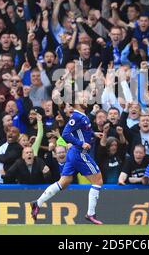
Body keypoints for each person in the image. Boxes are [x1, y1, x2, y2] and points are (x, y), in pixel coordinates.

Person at [31, 91, 104, 225]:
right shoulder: (76, 116)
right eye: (83, 96)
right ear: (76, 102)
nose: (86, 98)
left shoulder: (83, 116)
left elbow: (81, 131)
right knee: (98, 181)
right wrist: (81, 143)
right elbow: (65, 134)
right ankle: (90, 213)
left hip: (73, 154)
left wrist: (93, 134)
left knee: (63, 183)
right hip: (78, 153)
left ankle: (37, 203)